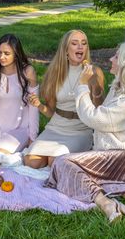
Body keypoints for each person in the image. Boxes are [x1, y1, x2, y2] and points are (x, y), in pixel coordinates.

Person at [45, 42, 125, 223]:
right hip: (112, 158)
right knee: (71, 164)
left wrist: (82, 85)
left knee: (62, 162)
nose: (111, 59)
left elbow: (94, 119)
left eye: (117, 56)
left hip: (124, 161)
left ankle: (105, 203)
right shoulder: (118, 88)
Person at [24, 29, 105, 169]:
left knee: (55, 162)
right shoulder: (55, 73)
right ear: (66, 50)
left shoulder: (94, 72)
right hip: (56, 127)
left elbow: (99, 111)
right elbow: (50, 111)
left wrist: (95, 86)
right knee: (31, 162)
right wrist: (39, 105)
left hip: (80, 129)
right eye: (75, 43)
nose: (80, 47)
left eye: (83, 43)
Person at [0, 33, 39, 155]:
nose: (1, 57)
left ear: (16, 54)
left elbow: (34, 107)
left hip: (18, 128)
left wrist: (33, 137)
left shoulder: (28, 72)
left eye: (7, 53)